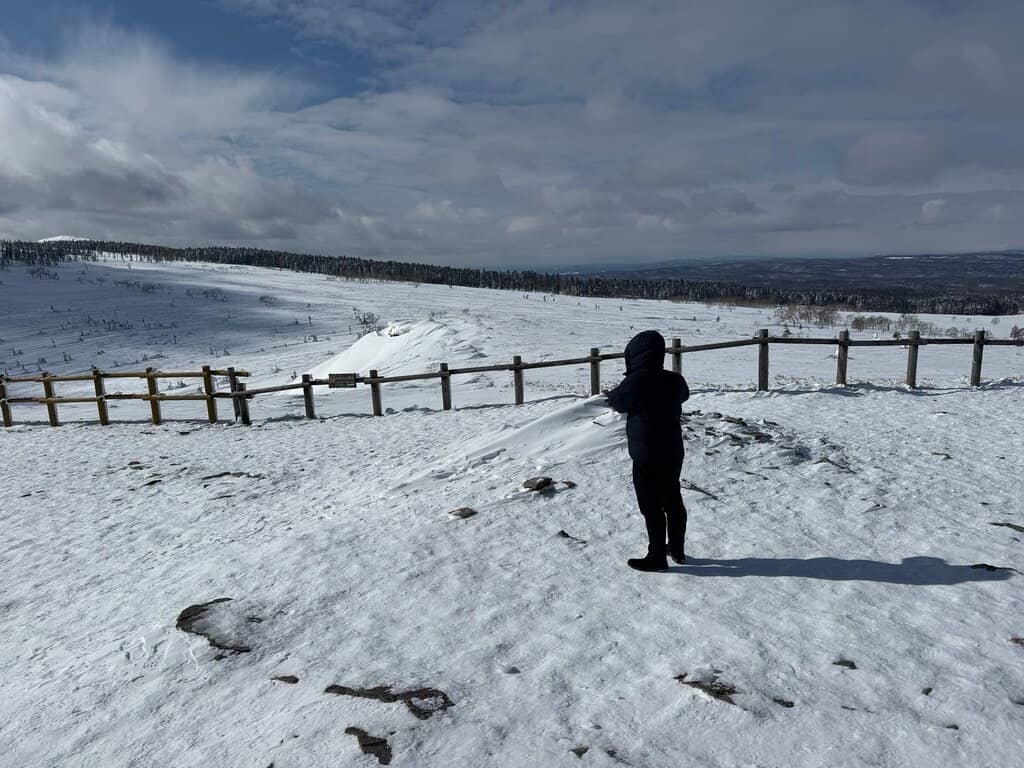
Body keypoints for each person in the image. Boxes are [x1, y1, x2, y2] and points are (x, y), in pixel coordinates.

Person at [606, 330, 690, 572]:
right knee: (673, 499)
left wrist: (613, 395)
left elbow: (620, 402)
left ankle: (656, 556)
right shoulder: (675, 380)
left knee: (650, 504)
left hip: (646, 452)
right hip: (673, 449)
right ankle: (676, 549)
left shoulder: (636, 380)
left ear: (633, 355)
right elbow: (683, 395)